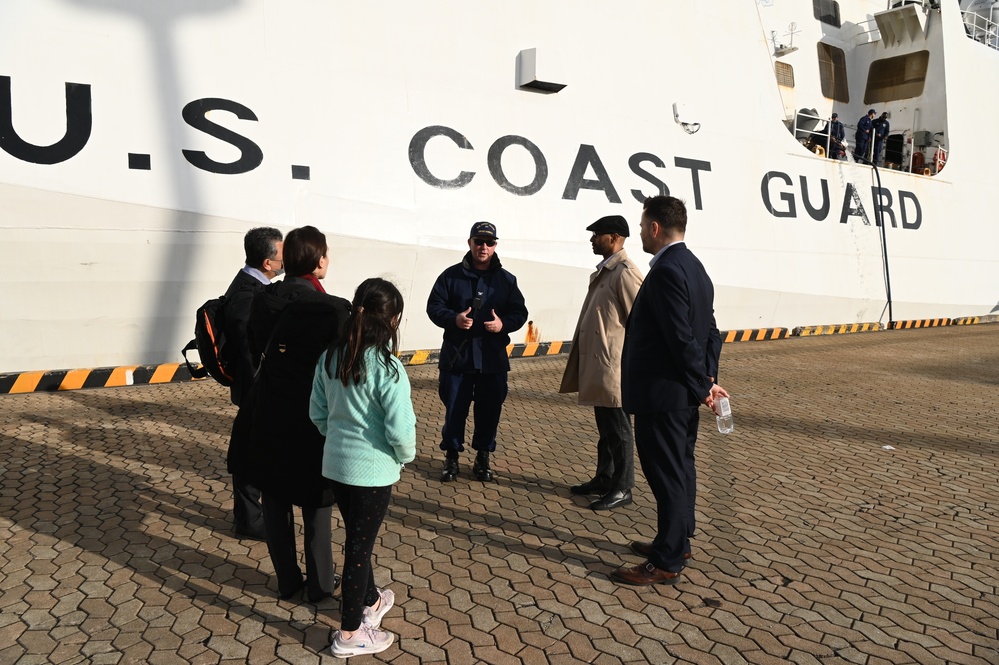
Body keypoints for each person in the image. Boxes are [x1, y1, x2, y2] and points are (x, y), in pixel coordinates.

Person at [611, 195, 728, 587]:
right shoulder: (696, 268)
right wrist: (707, 381)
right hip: (681, 395)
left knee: (667, 476)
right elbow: (710, 331)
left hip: (662, 396)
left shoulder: (665, 272)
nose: (641, 232)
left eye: (643, 226)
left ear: (655, 228)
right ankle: (676, 540)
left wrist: (702, 386)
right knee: (681, 470)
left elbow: (680, 338)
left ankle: (667, 561)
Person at [234, 225, 351, 602]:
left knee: (276, 499)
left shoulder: (263, 298)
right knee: (316, 503)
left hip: (268, 413)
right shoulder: (333, 310)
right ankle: (319, 586)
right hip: (312, 421)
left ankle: (288, 581)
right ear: (319, 261)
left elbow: (254, 349)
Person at [310, 278, 416, 658]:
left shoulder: (331, 356)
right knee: (358, 547)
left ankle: (370, 601)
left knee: (358, 539)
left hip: (336, 466)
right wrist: (405, 456)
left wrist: (337, 439)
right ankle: (351, 632)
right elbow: (401, 429)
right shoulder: (388, 368)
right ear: (393, 319)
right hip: (372, 472)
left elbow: (317, 413)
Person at [427, 222, 528, 482]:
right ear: (469, 243)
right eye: (479, 241)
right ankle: (451, 457)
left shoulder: (507, 280)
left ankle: (483, 456)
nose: (484, 247)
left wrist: (502, 324)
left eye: (489, 242)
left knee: (490, 410)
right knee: (454, 409)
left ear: (496, 245)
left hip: (492, 359)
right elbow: (434, 306)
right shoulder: (450, 276)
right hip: (457, 358)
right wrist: (454, 319)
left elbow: (519, 313)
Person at [559, 215, 643, 511]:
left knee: (619, 430)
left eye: (597, 234)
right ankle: (605, 477)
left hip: (614, 367)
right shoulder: (607, 271)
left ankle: (623, 488)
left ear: (615, 238)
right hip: (601, 365)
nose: (592, 239)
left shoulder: (625, 273)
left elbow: (641, 322)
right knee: (606, 428)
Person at [223, 226, 283, 541]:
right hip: (253, 389)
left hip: (253, 388)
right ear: (267, 262)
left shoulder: (251, 285)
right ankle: (249, 520)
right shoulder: (248, 293)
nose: (285, 260)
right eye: (281, 254)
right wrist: (262, 388)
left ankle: (250, 515)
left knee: (253, 449)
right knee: (248, 453)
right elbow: (249, 352)